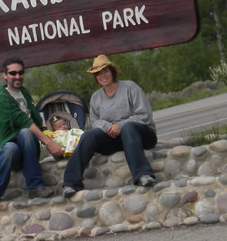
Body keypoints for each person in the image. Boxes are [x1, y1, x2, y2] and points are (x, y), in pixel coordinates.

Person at [62, 54, 157, 197]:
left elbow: (144, 115)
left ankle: (143, 175)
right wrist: (108, 127)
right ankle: (71, 184)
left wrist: (120, 125)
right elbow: (95, 121)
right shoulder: (96, 97)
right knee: (89, 135)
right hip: (114, 139)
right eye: (98, 74)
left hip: (141, 135)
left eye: (105, 71)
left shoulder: (130, 87)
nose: (103, 75)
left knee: (129, 127)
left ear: (112, 71)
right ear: (95, 77)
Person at [0, 57, 63, 208]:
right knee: (12, 146)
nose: (17, 76)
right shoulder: (1, 98)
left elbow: (35, 119)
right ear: (5, 75)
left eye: (20, 73)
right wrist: (49, 143)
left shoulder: (24, 93)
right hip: (9, 150)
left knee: (26, 134)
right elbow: (24, 122)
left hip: (28, 149)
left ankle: (35, 188)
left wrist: (53, 137)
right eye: (13, 73)